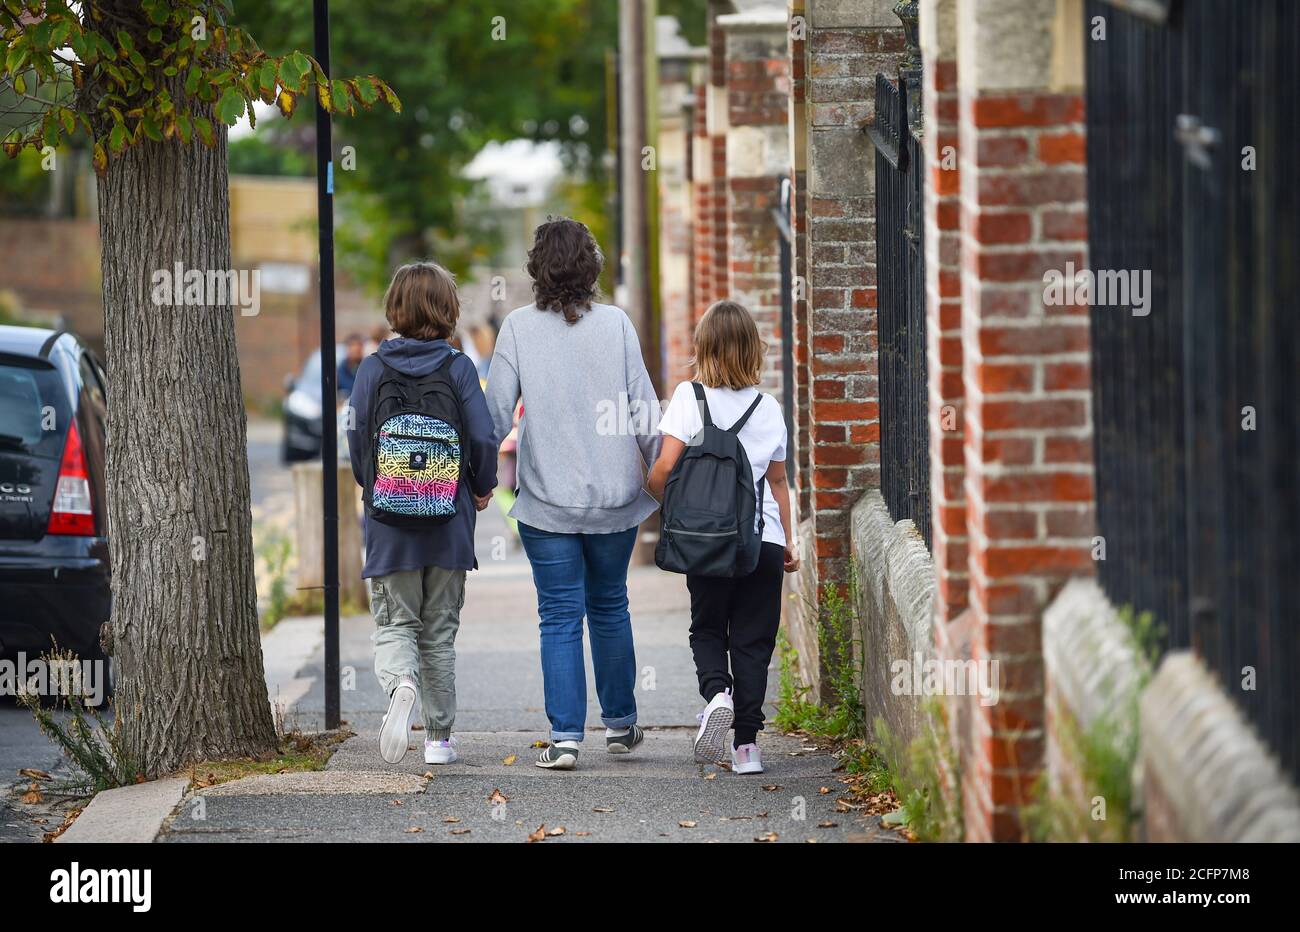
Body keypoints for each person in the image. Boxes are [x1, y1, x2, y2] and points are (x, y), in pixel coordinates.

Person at [484, 217, 661, 770]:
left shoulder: (516, 327)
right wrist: (661, 478)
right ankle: (621, 724)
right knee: (610, 606)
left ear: (537, 267)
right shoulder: (617, 325)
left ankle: (564, 738)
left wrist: (477, 481)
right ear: (592, 266)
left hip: (547, 501)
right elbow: (644, 412)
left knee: (559, 615)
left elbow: (493, 417)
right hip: (615, 498)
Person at [346, 262, 498, 766]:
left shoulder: (371, 368)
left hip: (390, 526)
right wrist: (481, 487)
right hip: (449, 520)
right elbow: (482, 436)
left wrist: (376, 487)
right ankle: (438, 741)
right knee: (438, 632)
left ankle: (400, 684)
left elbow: (356, 437)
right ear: (447, 309)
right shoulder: (458, 368)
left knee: (395, 625)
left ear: (395, 308)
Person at [647, 299, 798, 775]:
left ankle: (716, 694)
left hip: (707, 543)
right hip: (762, 541)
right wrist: (789, 540)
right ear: (753, 349)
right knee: (754, 640)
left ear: (703, 347)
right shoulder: (769, 407)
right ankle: (747, 747)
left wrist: (673, 511)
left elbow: (663, 472)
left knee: (709, 627)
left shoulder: (688, 400)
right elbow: (777, 482)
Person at [337, 333, 365, 398]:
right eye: (352, 346)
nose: (355, 349)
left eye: (358, 346)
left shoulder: (367, 367)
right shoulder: (341, 369)